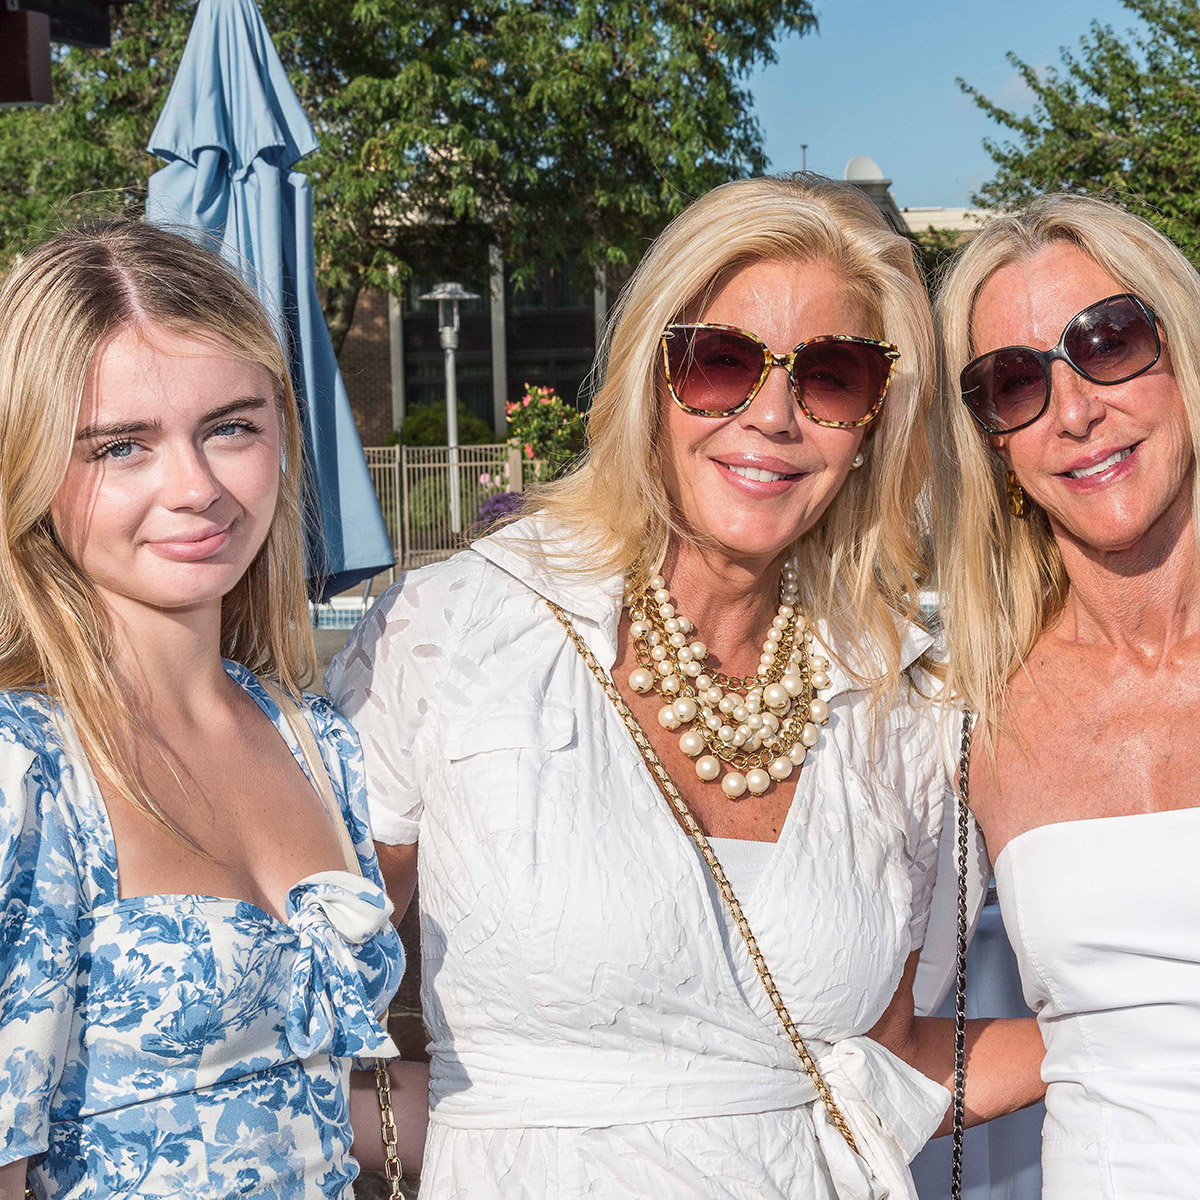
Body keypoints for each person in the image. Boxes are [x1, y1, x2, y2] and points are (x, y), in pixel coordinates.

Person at [329, 174, 1039, 1200]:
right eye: (722, 362)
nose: (774, 415)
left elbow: (880, 1066)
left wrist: (1136, 1029)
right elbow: (292, 997)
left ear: (876, 423)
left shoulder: (902, 703)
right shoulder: (456, 630)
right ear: (649, 380)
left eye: (833, 376)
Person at [0, 221, 424, 1199]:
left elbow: (301, 1104)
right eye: (121, 446)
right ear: (30, 463)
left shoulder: (317, 740)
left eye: (231, 427)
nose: (195, 488)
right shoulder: (29, 767)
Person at [930, 192, 1200, 1196]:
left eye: (1109, 341)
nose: (1075, 411)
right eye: (1014, 382)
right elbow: (869, 1031)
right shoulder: (968, 712)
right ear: (993, 442)